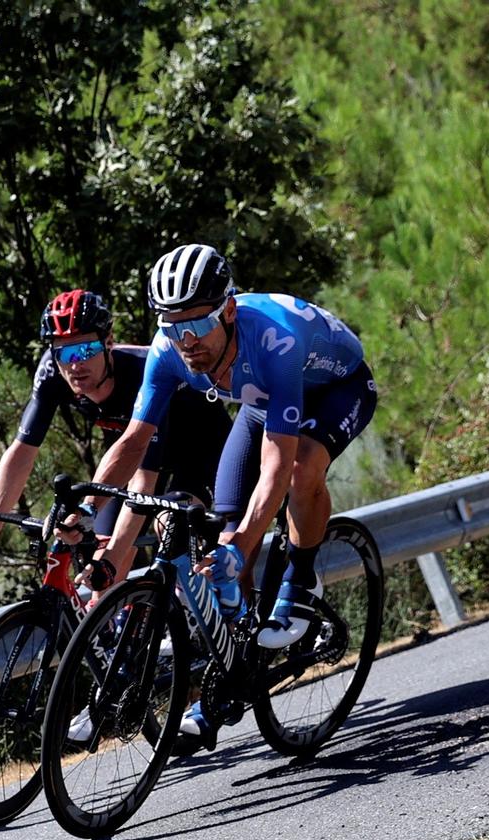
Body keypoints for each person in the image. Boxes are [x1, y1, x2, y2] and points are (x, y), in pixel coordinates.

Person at [85, 243, 378, 750]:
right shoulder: (168, 349)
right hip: (262, 400)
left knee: (301, 470)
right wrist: (87, 509)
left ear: (228, 309)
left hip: (335, 389)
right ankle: (231, 677)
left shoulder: (274, 341)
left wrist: (245, 544)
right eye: (173, 328)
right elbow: (133, 440)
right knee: (224, 522)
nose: (187, 341)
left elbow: (276, 467)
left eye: (197, 326)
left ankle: (301, 579)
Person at [0, 288, 231, 574]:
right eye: (63, 352)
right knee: (99, 553)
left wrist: (111, 560)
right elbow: (22, 451)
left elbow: (144, 480)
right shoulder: (53, 372)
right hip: (135, 454)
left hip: (202, 450)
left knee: (171, 530)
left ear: (108, 342)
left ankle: (227, 607)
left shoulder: (142, 374)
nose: (75, 364)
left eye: (85, 350)